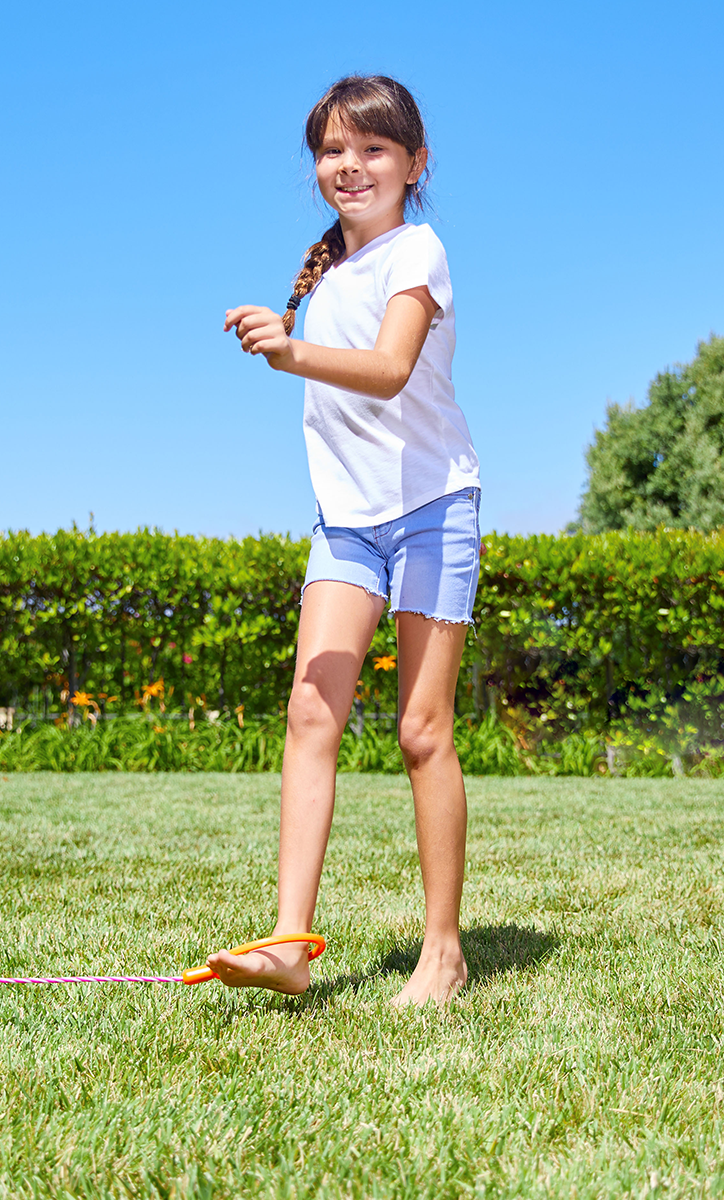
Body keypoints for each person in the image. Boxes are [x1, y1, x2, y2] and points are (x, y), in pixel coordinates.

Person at [211, 75, 481, 1006]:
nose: (350, 166)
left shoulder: (421, 251)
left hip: (433, 511)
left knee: (419, 730)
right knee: (311, 710)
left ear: (414, 163)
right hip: (347, 522)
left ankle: (442, 953)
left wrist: (289, 351)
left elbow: (391, 369)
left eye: (372, 149)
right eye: (333, 150)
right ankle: (290, 941)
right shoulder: (322, 269)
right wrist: (290, 329)